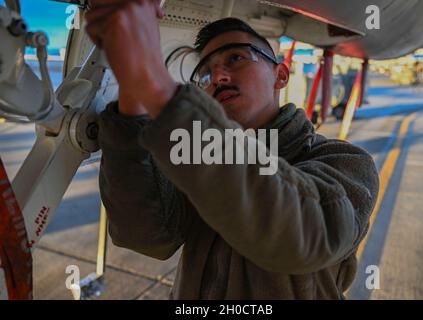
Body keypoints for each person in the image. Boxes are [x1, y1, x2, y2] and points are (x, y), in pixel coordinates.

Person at [85, 0, 379, 299]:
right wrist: (132, 99)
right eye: (205, 74)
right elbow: (149, 237)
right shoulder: (200, 156)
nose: (217, 77)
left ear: (280, 75)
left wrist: (156, 85)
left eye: (236, 58)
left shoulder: (346, 162)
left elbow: (306, 237)